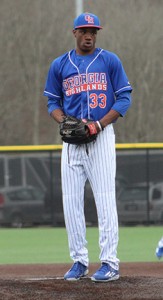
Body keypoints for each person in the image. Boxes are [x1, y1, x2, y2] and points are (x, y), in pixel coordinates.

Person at [43, 12, 132, 282]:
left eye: (93, 30)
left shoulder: (109, 60)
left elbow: (124, 98)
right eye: (84, 30)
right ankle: (79, 260)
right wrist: (63, 120)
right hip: (71, 142)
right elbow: (52, 103)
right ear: (75, 33)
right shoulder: (60, 64)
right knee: (71, 203)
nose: (89, 35)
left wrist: (99, 124)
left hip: (101, 138)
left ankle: (110, 262)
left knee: (105, 199)